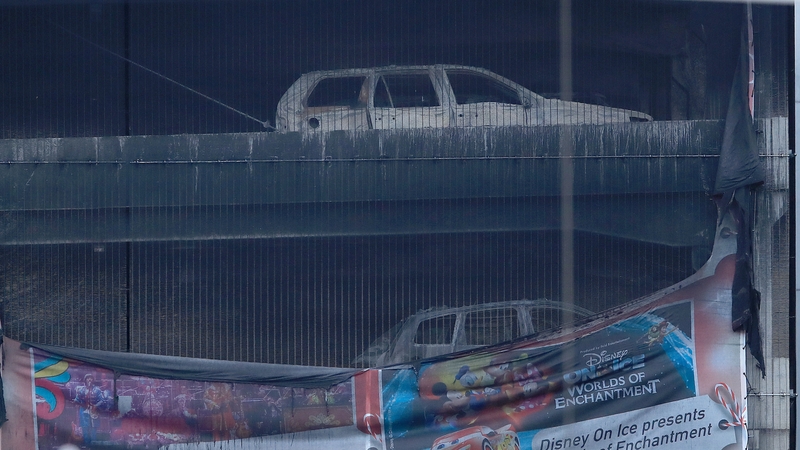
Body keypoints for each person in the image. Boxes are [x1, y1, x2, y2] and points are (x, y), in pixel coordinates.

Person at [73, 373, 107, 445]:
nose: (89, 379)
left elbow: (102, 400)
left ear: (93, 380)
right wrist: (75, 401)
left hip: (94, 412)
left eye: (91, 378)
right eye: (88, 378)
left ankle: (93, 446)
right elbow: (77, 399)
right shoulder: (82, 390)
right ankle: (87, 446)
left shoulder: (97, 390)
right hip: (83, 412)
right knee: (85, 429)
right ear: (85, 380)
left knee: (93, 430)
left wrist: (96, 406)